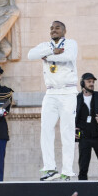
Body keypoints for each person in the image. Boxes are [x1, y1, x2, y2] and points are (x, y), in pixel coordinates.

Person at [28, 20, 78, 181]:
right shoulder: (46, 45)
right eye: (51, 28)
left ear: (64, 30)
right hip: (50, 93)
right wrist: (52, 51)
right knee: (46, 130)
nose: (53, 30)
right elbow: (30, 55)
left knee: (67, 132)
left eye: (57, 28)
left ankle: (67, 171)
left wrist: (47, 55)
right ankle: (50, 168)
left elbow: (68, 57)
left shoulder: (71, 43)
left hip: (68, 92)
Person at [75, 72, 98, 180]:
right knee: (83, 168)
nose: (91, 84)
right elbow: (70, 117)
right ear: (82, 83)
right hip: (84, 137)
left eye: (92, 82)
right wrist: (73, 129)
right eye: (89, 81)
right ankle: (83, 192)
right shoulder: (76, 99)